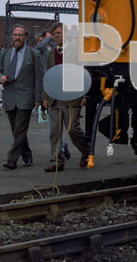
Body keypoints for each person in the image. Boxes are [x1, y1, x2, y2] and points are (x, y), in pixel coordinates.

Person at [42, 22, 90, 172]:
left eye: (59, 33)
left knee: (72, 129)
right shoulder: (51, 54)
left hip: (72, 96)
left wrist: (85, 94)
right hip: (55, 98)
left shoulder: (76, 51)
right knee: (54, 132)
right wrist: (45, 96)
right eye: (54, 34)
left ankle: (86, 151)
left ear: (66, 34)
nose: (57, 36)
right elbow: (48, 76)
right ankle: (56, 161)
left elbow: (84, 73)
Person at [0, 24, 45, 169]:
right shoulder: (5, 54)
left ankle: (12, 159)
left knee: (19, 129)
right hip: (9, 97)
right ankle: (27, 156)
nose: (17, 38)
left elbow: (39, 79)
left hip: (26, 98)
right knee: (16, 130)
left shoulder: (34, 54)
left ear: (26, 37)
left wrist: (38, 99)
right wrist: (0, 78)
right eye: (15, 35)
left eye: (20, 35)